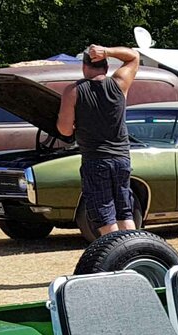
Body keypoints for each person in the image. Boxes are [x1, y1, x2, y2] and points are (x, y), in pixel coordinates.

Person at [56, 43, 140, 237]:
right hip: (121, 158)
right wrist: (108, 51)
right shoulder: (119, 83)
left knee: (105, 217)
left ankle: (116, 253)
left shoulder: (73, 91)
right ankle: (134, 249)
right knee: (125, 212)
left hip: (95, 160)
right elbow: (133, 56)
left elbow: (65, 130)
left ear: (84, 67)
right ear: (107, 67)